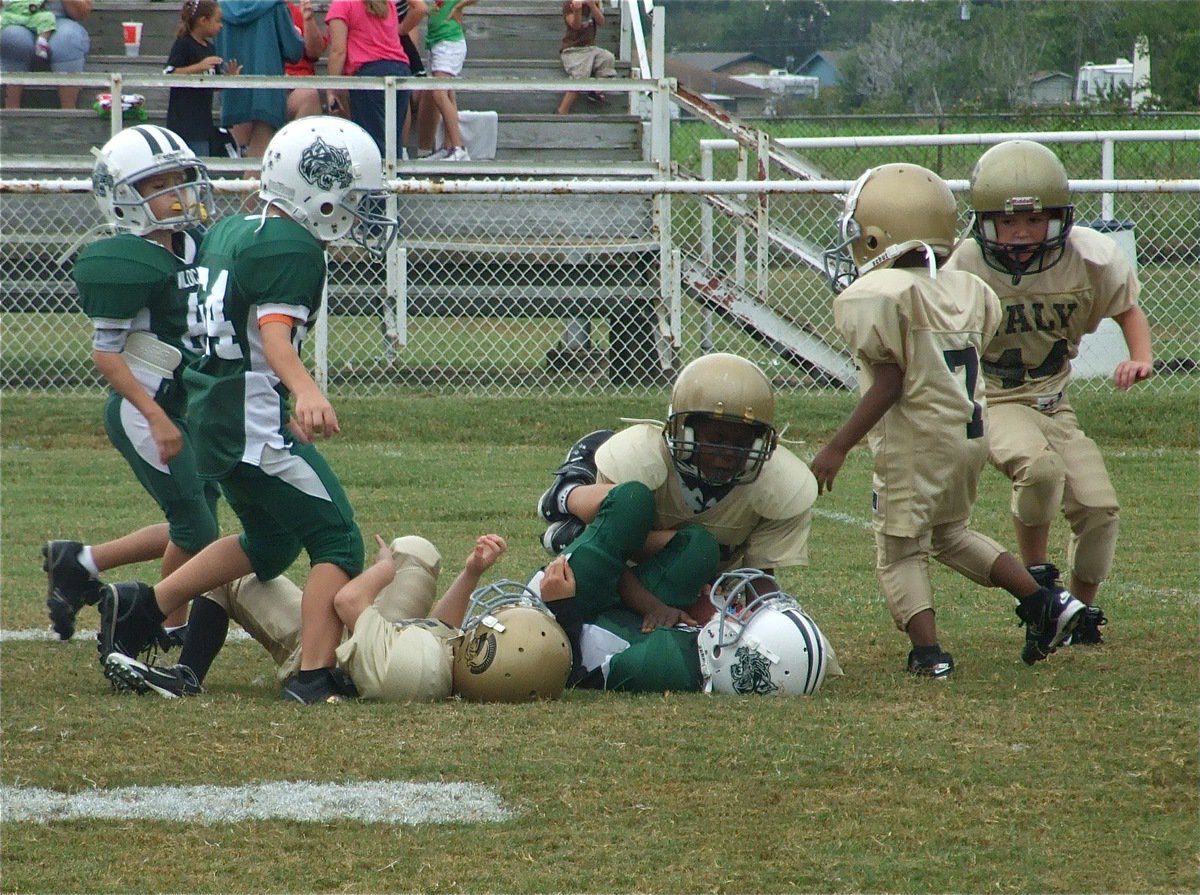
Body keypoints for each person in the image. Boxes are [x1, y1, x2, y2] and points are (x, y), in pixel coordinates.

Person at [95, 116, 401, 706]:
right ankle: (314, 676)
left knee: (268, 541)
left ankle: (142, 607)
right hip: (249, 422)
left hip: (221, 415)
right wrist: (305, 391)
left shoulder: (236, 230)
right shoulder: (290, 245)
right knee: (337, 539)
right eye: (356, 197)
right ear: (321, 191)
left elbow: (234, 332)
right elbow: (275, 334)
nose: (362, 212)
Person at [811, 162, 1086, 677]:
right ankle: (1045, 603)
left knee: (898, 549)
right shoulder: (965, 290)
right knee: (950, 534)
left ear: (878, 234)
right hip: (966, 435)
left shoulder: (885, 295)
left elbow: (890, 382)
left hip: (916, 442)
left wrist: (837, 446)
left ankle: (928, 654)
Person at [944, 140, 1154, 646]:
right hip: (995, 399)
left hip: (1055, 401)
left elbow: (1126, 308)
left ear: (1059, 218)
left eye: (1034, 221)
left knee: (1100, 510)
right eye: (1008, 223)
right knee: (1039, 471)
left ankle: (1078, 613)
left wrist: (1140, 356)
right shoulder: (966, 264)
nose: (1020, 234)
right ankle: (1042, 587)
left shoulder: (1088, 257)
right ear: (984, 223)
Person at [47, 125, 222, 644]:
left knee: (196, 519)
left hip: (185, 403)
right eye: (158, 185)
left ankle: (80, 561)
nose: (177, 194)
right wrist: (155, 416)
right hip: (146, 407)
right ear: (124, 197)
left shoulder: (196, 245)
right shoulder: (124, 259)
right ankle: (159, 624)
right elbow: (106, 355)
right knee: (197, 528)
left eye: (180, 180)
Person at [538, 353, 819, 639]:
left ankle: (574, 528)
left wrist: (773, 623)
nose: (728, 454)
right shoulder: (643, 458)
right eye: (717, 440)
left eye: (741, 443)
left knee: (700, 554)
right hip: (623, 564)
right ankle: (569, 498)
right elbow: (611, 553)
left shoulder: (777, 483)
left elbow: (759, 577)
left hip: (699, 575)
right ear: (683, 431)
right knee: (635, 512)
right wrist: (653, 606)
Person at [102, 534, 572, 705]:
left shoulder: (407, 668)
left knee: (232, 574)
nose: (492, 619)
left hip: (328, 651)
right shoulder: (440, 665)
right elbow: (440, 632)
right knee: (419, 550)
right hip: (376, 638)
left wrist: (381, 569)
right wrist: (471, 572)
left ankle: (187, 674)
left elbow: (349, 602)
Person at [324, 0, 424, 158]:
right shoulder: (387, 4)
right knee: (393, 140)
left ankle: (377, 180)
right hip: (400, 70)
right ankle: (394, 178)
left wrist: (331, 89)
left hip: (369, 75)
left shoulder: (342, 4)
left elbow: (338, 51)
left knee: (372, 141)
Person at [215, 0, 305, 160]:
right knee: (258, 162)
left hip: (232, 88)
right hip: (266, 92)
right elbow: (294, 51)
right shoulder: (274, 6)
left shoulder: (220, 6)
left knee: (239, 157)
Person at [165, 0, 243, 157]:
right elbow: (169, 73)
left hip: (202, 124)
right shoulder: (184, 44)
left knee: (201, 166)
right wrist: (199, 66)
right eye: (218, 20)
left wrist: (229, 79)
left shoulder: (210, 48)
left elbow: (213, 84)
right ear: (203, 21)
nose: (221, 25)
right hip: (182, 124)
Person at [414, 0, 477, 161]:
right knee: (447, 93)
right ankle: (449, 146)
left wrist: (458, 6)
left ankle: (458, 147)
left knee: (439, 93)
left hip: (449, 42)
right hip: (437, 41)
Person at [1, 0, 90, 110]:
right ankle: (11, 112)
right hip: (16, 17)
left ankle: (69, 113)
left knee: (68, 39)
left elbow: (82, 13)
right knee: (12, 38)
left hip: (60, 20)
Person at [555, 0, 615, 116]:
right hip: (573, 50)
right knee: (581, 75)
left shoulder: (594, 4)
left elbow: (601, 21)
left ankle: (596, 90)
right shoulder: (569, 5)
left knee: (607, 58)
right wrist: (577, 10)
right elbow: (575, 26)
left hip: (590, 48)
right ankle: (562, 110)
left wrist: (592, 6)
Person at [283, 0, 327, 121]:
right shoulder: (247, 12)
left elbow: (315, 53)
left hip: (298, 85)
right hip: (264, 86)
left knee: (309, 95)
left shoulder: (291, 11)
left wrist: (308, 20)